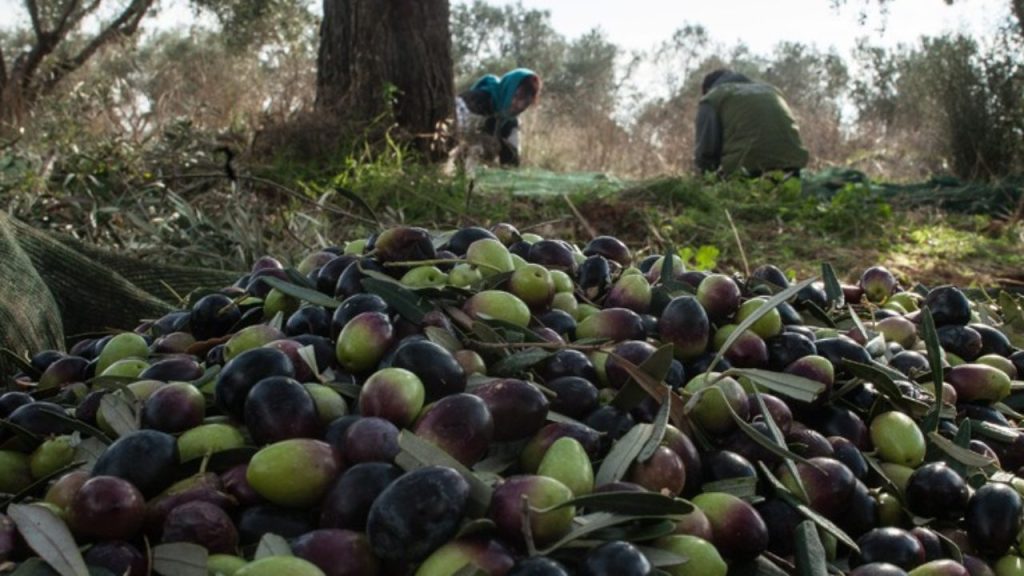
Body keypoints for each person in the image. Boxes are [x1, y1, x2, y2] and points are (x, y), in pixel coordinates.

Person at [694, 69, 809, 178]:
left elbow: (705, 153)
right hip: (792, 169)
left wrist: (706, 180)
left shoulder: (712, 97)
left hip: (747, 173)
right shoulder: (772, 90)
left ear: (708, 89)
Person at [455, 68, 542, 167]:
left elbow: (512, 162)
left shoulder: (510, 122)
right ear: (509, 90)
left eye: (526, 102)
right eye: (517, 97)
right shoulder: (477, 101)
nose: (520, 106)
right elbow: (452, 133)